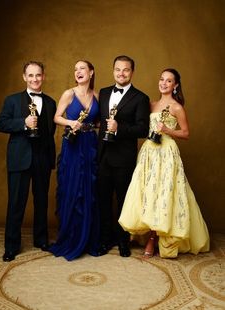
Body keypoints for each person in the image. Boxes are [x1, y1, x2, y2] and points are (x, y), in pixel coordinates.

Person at [119, 68, 210, 258]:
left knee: (163, 193)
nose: (164, 83)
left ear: (175, 85)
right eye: (162, 79)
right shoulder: (150, 105)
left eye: (169, 81)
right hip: (149, 152)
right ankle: (141, 233)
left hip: (167, 153)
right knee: (147, 192)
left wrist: (168, 130)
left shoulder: (177, 107)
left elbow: (185, 133)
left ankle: (154, 238)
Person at [0, 61, 56, 262]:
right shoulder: (12, 100)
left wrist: (50, 159)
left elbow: (50, 133)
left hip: (42, 159)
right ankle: (11, 246)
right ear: (24, 77)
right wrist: (23, 122)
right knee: (16, 203)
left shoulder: (50, 102)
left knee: (41, 202)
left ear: (43, 76)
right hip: (19, 159)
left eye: (38, 75)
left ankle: (41, 240)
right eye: (30, 75)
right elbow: (1, 123)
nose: (34, 79)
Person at [97, 55, 150, 257]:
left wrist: (119, 128)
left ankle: (122, 241)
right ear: (113, 71)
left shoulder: (140, 98)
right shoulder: (103, 93)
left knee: (123, 201)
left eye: (126, 70)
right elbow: (98, 121)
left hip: (124, 158)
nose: (121, 73)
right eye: (118, 69)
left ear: (132, 72)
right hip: (102, 156)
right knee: (103, 200)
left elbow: (142, 129)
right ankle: (104, 239)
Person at [49, 60, 100, 261]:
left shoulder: (96, 96)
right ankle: (71, 237)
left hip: (90, 145)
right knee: (72, 187)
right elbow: (56, 117)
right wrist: (71, 123)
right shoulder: (68, 94)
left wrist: (92, 126)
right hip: (72, 145)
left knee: (90, 188)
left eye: (82, 69)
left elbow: (97, 121)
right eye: (76, 69)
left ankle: (87, 237)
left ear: (91, 72)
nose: (78, 72)